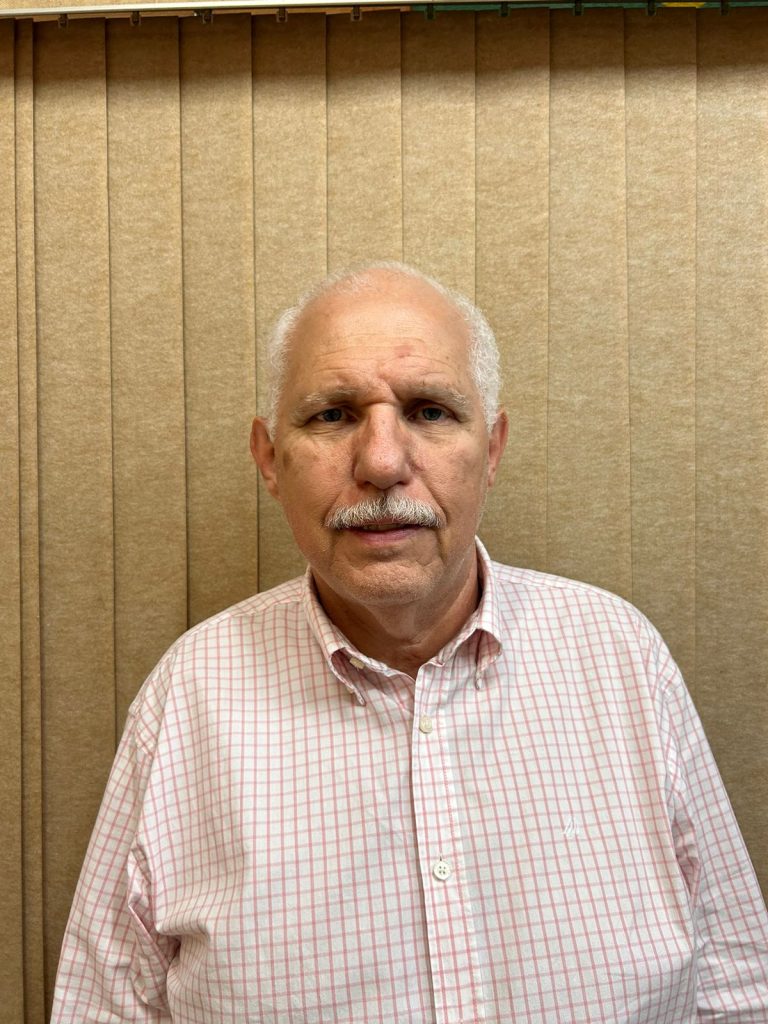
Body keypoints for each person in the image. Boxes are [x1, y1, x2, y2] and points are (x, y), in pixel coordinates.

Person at [51, 262, 768, 1023]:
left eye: (429, 411)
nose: (383, 462)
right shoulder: (189, 695)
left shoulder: (621, 658)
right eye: (332, 415)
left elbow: (736, 990)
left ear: (492, 449)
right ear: (269, 458)